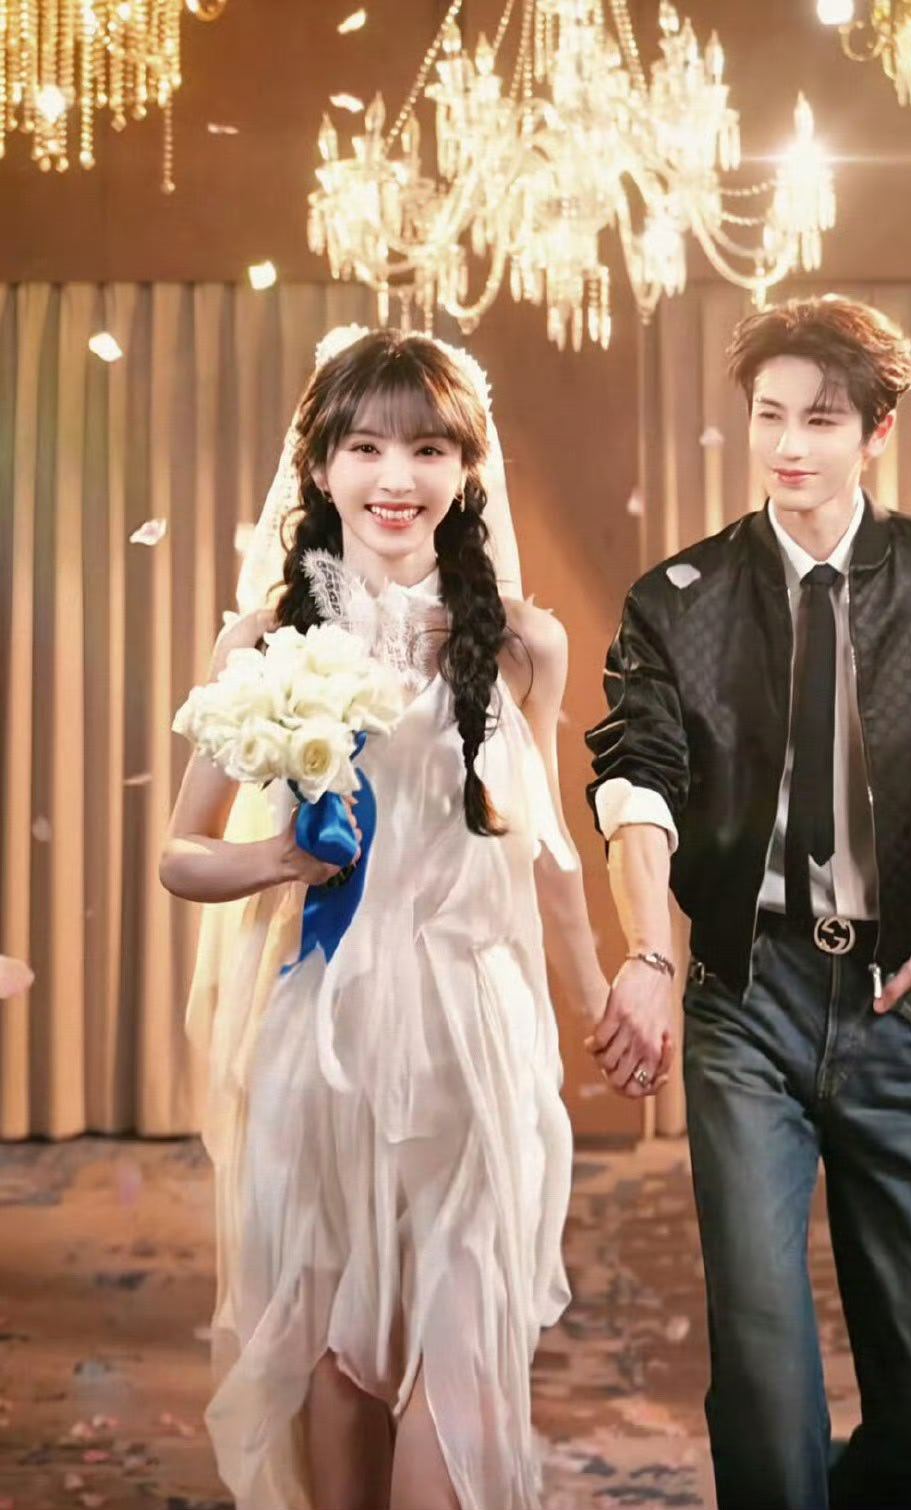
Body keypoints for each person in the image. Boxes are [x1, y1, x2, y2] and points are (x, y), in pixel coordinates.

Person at [584, 295, 911, 1510]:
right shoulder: (680, 597)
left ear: (877, 430)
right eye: (770, 416)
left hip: (898, 1002)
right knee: (761, 1363)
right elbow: (639, 782)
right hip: (746, 997)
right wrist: (648, 951)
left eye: (822, 419)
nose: (789, 445)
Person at [160, 327, 608, 1510]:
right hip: (323, 1041)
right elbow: (180, 855)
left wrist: (605, 994)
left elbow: (548, 844)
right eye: (365, 448)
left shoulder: (524, 641)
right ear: (319, 467)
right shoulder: (264, 641)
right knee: (339, 1368)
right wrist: (280, 856)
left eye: (427, 449)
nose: (395, 477)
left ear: (466, 466)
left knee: (468, 1367)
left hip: (472, 1035)